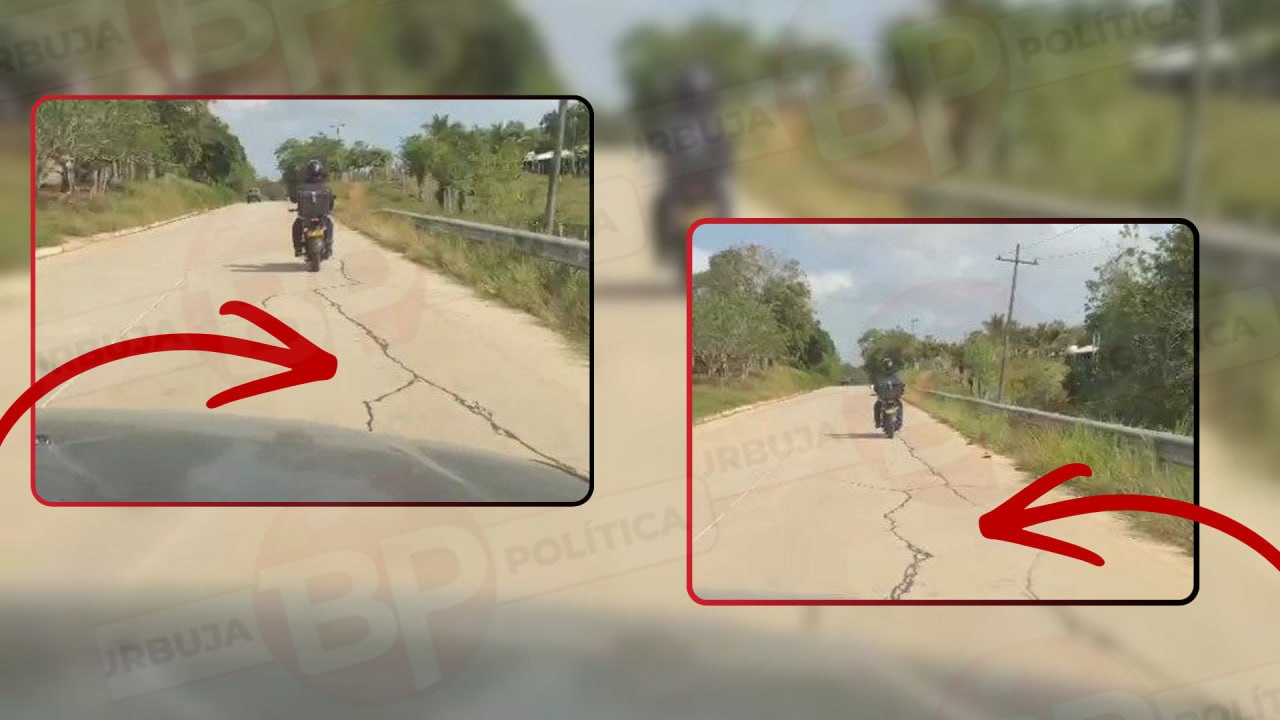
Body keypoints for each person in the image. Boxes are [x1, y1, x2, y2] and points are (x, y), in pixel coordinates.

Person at [653, 63, 734, 235]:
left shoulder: (675, 123)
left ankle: (665, 241)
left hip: (690, 182)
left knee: (662, 204)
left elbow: (666, 158)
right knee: (723, 201)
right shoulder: (715, 124)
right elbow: (726, 159)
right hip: (702, 183)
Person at [291, 159, 335, 259]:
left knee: (296, 226)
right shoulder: (326, 187)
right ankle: (328, 246)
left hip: (305, 216)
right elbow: (331, 202)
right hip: (322, 216)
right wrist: (329, 209)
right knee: (329, 224)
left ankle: (298, 247)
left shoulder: (301, 187)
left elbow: (293, 199)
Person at [873, 358, 906, 429]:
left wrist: (901, 388)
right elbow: (877, 383)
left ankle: (899, 422)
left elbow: (900, 382)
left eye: (888, 363)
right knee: (877, 405)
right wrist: (877, 388)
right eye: (886, 363)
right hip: (885, 395)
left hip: (893, 395)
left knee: (899, 405)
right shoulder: (881, 373)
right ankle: (878, 422)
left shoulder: (895, 372)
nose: (887, 364)